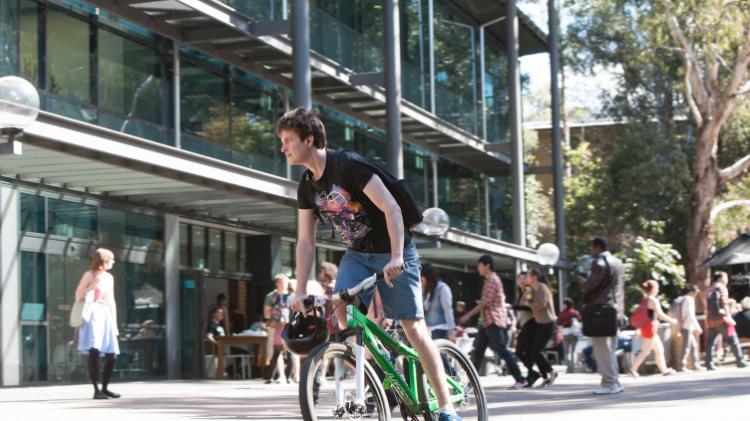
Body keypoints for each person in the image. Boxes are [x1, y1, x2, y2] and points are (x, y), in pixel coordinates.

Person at [278, 108, 461, 421]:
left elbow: (391, 208)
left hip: (394, 250)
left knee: (414, 329)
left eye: (288, 140)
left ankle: (446, 407)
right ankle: (381, 366)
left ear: (309, 139)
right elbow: (306, 242)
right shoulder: (307, 187)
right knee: (345, 318)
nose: (283, 147)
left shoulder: (347, 164)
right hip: (357, 255)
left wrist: (397, 257)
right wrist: (301, 288)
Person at [460, 255, 526, 390]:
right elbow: (490, 301)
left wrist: (468, 315)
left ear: (487, 265)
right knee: (477, 352)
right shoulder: (490, 280)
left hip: (493, 321)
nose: (478, 268)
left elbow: (486, 303)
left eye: (479, 265)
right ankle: (471, 384)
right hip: (487, 321)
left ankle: (520, 379)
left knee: (501, 350)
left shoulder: (492, 280)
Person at [579, 237, 625, 395]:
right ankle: (614, 381)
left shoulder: (599, 262)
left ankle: (609, 383)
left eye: (592, 248)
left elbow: (591, 285)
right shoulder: (618, 262)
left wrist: (583, 283)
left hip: (600, 310)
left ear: (597, 247)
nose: (591, 252)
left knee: (601, 349)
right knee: (610, 348)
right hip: (614, 310)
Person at [74, 248, 120, 400]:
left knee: (112, 355)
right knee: (94, 351)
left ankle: (105, 388)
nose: (113, 262)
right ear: (103, 261)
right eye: (111, 259)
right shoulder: (89, 274)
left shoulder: (109, 277)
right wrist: (93, 285)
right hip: (92, 312)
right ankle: (96, 389)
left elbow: (111, 300)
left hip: (105, 313)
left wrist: (114, 323)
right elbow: (78, 295)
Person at [628, 280, 678, 377]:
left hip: (649, 328)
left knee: (659, 350)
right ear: (653, 289)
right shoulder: (653, 300)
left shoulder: (645, 299)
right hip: (650, 328)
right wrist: (672, 321)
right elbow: (660, 315)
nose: (658, 289)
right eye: (657, 287)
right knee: (645, 351)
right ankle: (632, 369)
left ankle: (664, 370)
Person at [523, 268, 558, 387]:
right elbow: (527, 302)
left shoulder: (542, 287)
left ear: (535, 277)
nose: (526, 277)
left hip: (548, 322)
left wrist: (530, 304)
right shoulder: (530, 289)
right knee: (534, 351)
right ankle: (545, 376)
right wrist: (526, 290)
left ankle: (551, 372)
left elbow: (542, 304)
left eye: (527, 275)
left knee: (537, 350)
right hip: (539, 322)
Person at [705, 272, 748, 369]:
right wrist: (728, 317)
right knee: (733, 339)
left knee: (710, 343)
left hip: (711, 320)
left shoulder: (708, 290)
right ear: (720, 278)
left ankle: (709, 363)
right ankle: (740, 361)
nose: (727, 280)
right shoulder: (721, 288)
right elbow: (724, 304)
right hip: (722, 319)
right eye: (725, 278)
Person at [263, 274, 292, 383]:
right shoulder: (271, 296)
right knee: (275, 352)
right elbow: (266, 315)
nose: (283, 284)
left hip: (288, 327)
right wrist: (276, 313)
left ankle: (292, 376)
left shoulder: (291, 296)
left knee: (290, 352)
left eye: (285, 282)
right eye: (280, 282)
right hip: (274, 327)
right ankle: (280, 376)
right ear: (276, 283)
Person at [422, 263, 456, 341]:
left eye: (422, 277)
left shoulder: (442, 289)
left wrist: (451, 332)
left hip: (441, 330)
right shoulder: (426, 290)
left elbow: (448, 311)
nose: (421, 279)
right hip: (428, 331)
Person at [675, 285, 703, 371]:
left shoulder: (681, 299)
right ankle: (681, 366)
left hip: (682, 325)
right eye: (696, 293)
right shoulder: (689, 299)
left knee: (693, 345)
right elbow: (691, 315)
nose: (696, 295)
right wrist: (697, 327)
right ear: (691, 292)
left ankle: (695, 364)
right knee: (686, 346)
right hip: (686, 326)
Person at [558, 298, 582, 374]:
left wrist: (559, 334)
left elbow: (559, 323)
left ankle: (569, 367)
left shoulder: (562, 313)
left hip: (565, 333)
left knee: (566, 351)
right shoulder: (575, 312)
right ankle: (573, 367)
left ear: (566, 304)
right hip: (575, 333)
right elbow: (580, 321)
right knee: (573, 351)